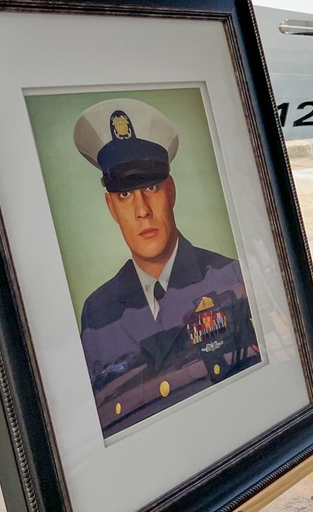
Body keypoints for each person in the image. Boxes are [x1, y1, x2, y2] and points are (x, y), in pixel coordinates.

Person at [73, 98, 259, 437]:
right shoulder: (97, 312)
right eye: (126, 196)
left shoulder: (232, 278)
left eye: (151, 187)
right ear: (111, 207)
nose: (142, 209)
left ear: (170, 191)